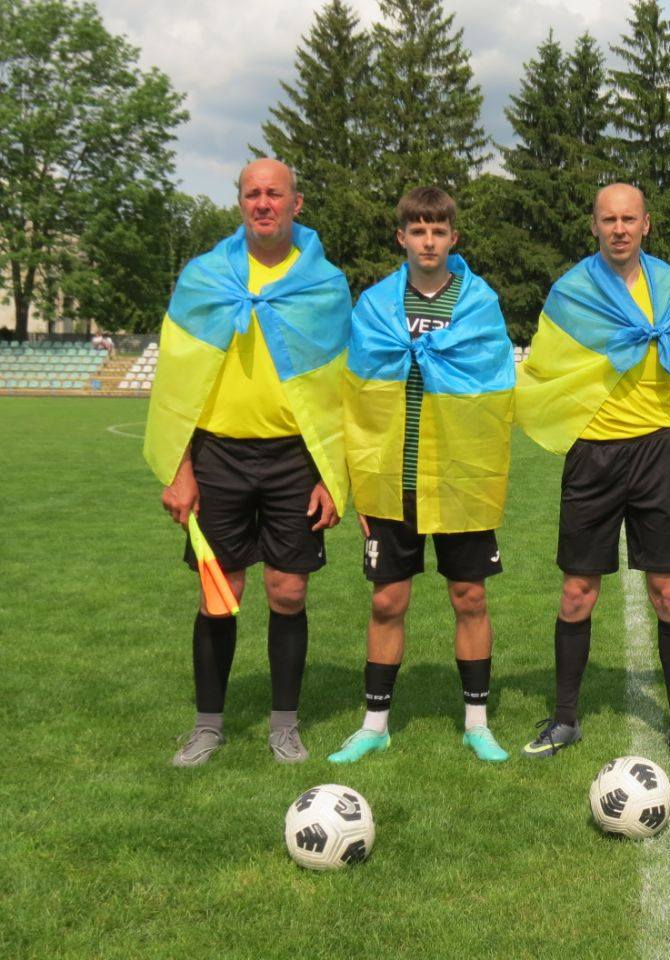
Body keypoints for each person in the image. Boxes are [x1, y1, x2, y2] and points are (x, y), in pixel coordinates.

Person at [144, 158, 350, 767]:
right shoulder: (204, 277)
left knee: (288, 591)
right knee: (219, 593)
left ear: (296, 203)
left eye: (274, 193)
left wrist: (329, 474)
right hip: (217, 455)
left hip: (294, 458)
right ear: (240, 202)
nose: (263, 203)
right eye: (253, 193)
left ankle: (285, 725)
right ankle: (207, 726)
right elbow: (176, 381)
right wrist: (181, 468)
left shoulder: (324, 284)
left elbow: (339, 388)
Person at [514, 183, 670, 761]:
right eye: (608, 219)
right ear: (594, 226)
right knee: (577, 592)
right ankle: (564, 720)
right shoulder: (572, 291)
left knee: (669, 591)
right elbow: (547, 366)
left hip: (657, 452)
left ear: (646, 224)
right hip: (593, 453)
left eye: (629, 219)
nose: (619, 229)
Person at [332, 187, 515, 765]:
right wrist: (362, 482)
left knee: (470, 597)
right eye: (418, 230)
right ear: (402, 237)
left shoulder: (478, 302)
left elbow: (495, 388)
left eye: (438, 231)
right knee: (387, 601)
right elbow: (358, 396)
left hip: (460, 474)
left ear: (453, 238)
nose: (428, 241)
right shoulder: (374, 306)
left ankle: (477, 724)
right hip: (393, 477)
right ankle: (374, 725)